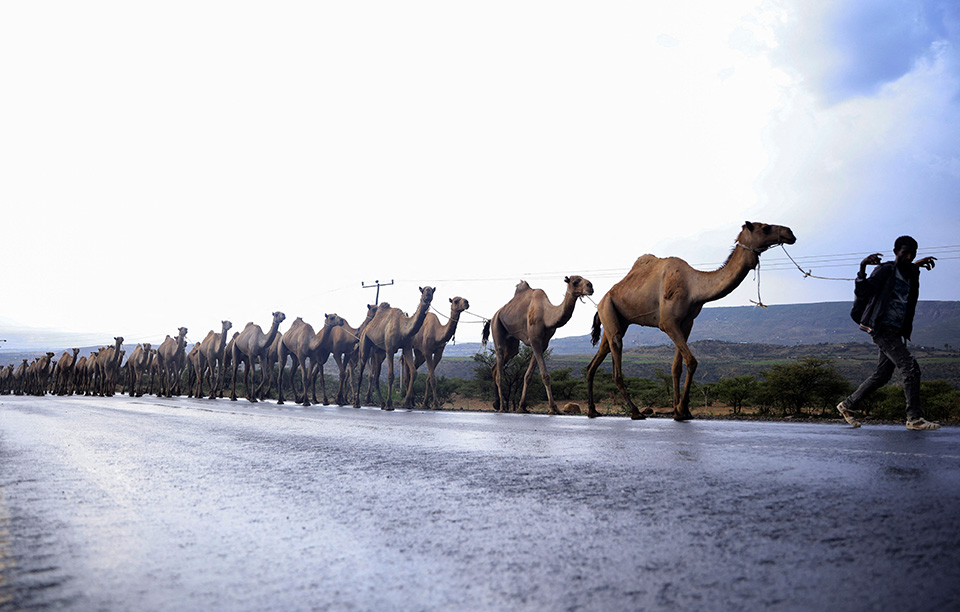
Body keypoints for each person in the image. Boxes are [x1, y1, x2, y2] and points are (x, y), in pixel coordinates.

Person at [837, 236, 940, 430]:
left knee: (883, 375)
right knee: (910, 368)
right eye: (904, 253)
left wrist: (917, 264)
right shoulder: (884, 270)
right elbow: (864, 291)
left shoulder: (910, 271)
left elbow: (906, 268)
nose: (908, 257)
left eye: (912, 254)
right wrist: (862, 267)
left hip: (897, 330)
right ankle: (914, 418)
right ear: (895, 252)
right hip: (882, 328)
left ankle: (848, 405)